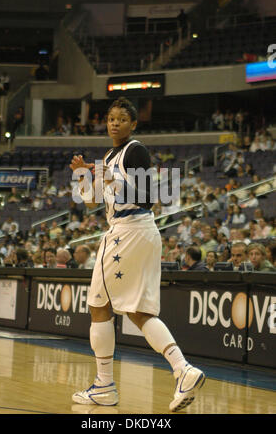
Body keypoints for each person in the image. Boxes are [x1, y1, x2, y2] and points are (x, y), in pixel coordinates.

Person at [69, 97, 205, 411]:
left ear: (133, 124)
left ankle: (104, 386)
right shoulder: (109, 155)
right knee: (138, 311)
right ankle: (183, 369)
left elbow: (148, 196)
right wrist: (81, 176)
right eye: (110, 118)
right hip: (136, 233)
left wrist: (108, 178)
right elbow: (91, 203)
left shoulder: (135, 150)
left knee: (99, 305)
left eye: (121, 119)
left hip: (128, 231)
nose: (114, 123)